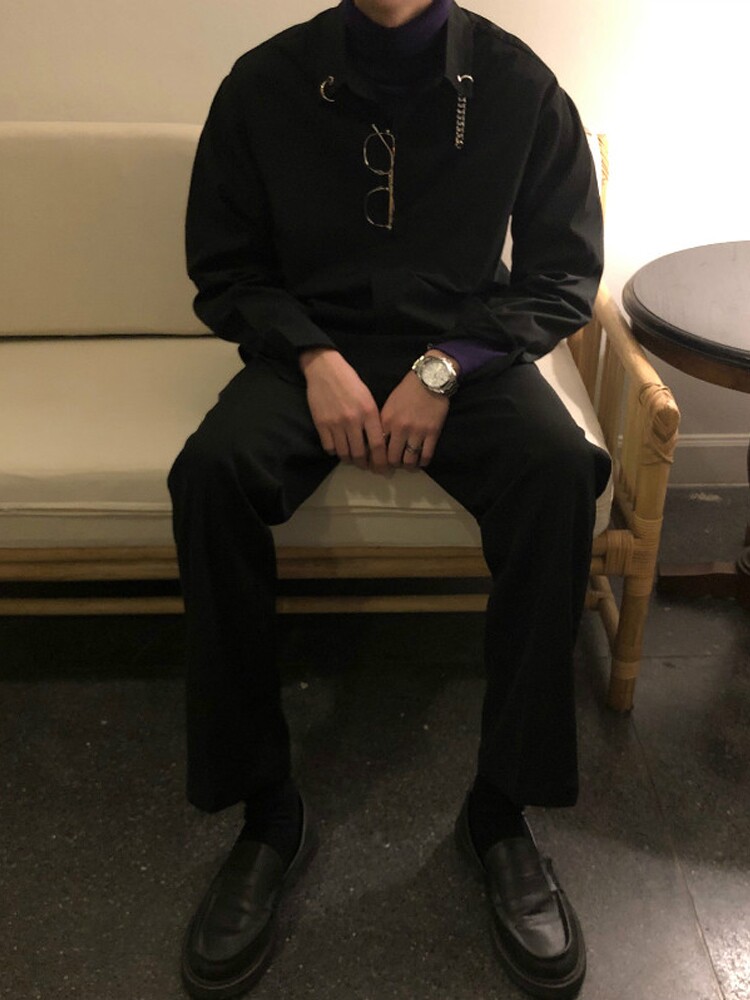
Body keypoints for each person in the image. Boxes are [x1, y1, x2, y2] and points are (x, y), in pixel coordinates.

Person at [168, 1, 611, 997]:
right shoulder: (265, 82)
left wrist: (449, 365)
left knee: (557, 471)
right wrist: (309, 354)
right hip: (313, 352)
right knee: (210, 476)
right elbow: (226, 266)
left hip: (462, 356)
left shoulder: (517, 84)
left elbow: (561, 272)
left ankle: (501, 812)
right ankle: (266, 811)